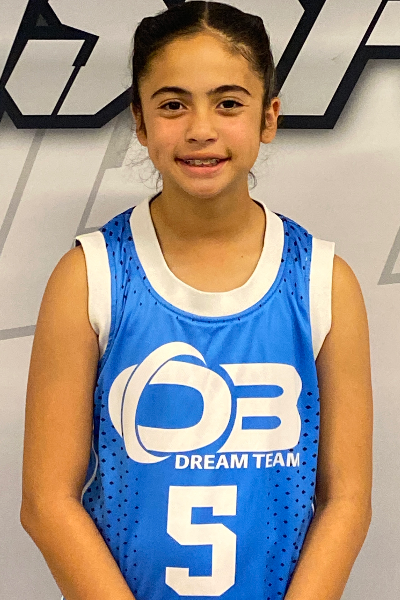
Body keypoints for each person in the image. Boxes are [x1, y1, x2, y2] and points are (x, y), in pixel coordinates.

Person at [20, 2, 373, 600]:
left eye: (228, 103)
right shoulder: (90, 277)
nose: (200, 129)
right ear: (139, 120)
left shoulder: (322, 281)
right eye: (172, 105)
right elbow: (46, 501)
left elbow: (346, 499)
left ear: (268, 117)